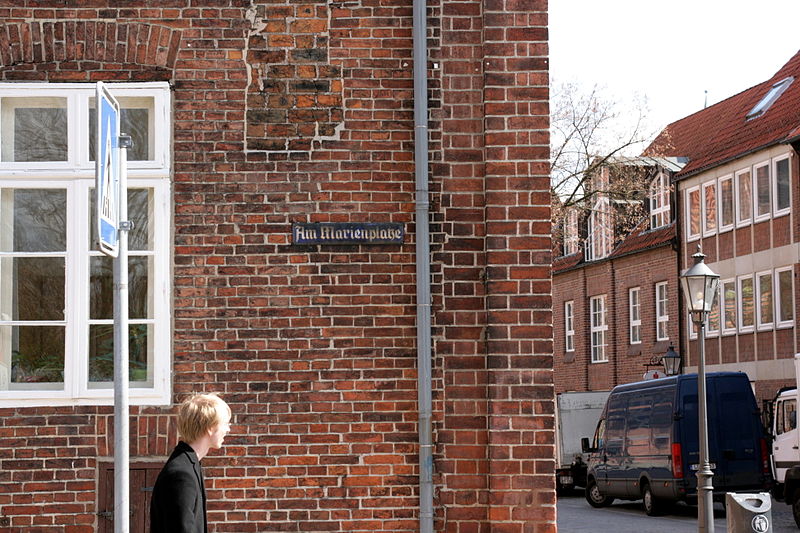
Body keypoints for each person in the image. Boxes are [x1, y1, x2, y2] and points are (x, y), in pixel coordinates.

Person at [150, 393, 232, 533]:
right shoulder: (181, 475)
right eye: (225, 424)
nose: (228, 429)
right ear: (210, 427)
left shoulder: (189, 465)